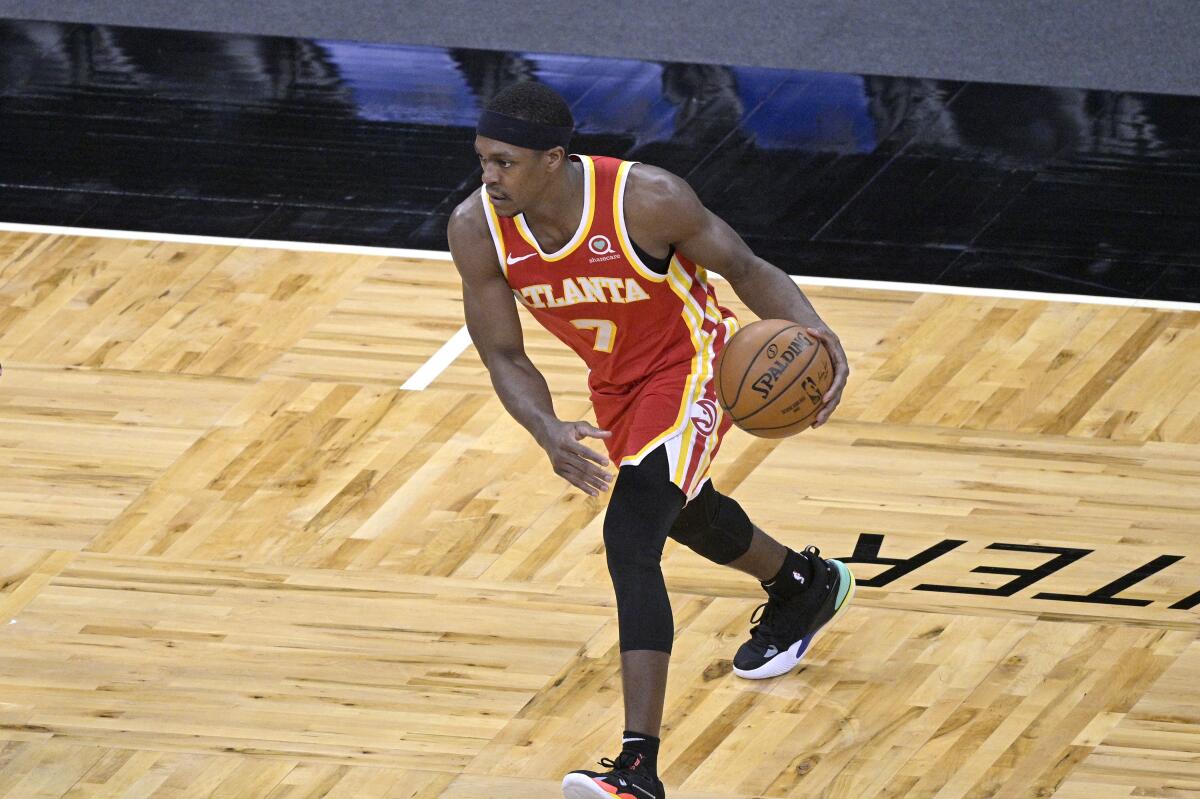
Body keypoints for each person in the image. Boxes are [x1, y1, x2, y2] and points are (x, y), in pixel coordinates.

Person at [447, 81, 854, 799]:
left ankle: (638, 768)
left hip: (695, 365)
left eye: (504, 162)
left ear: (553, 158)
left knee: (631, 532)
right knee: (682, 509)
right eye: (482, 159)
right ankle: (802, 582)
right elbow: (503, 355)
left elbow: (748, 270)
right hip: (616, 385)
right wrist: (545, 429)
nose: (489, 176)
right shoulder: (477, 229)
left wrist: (820, 339)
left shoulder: (647, 199)